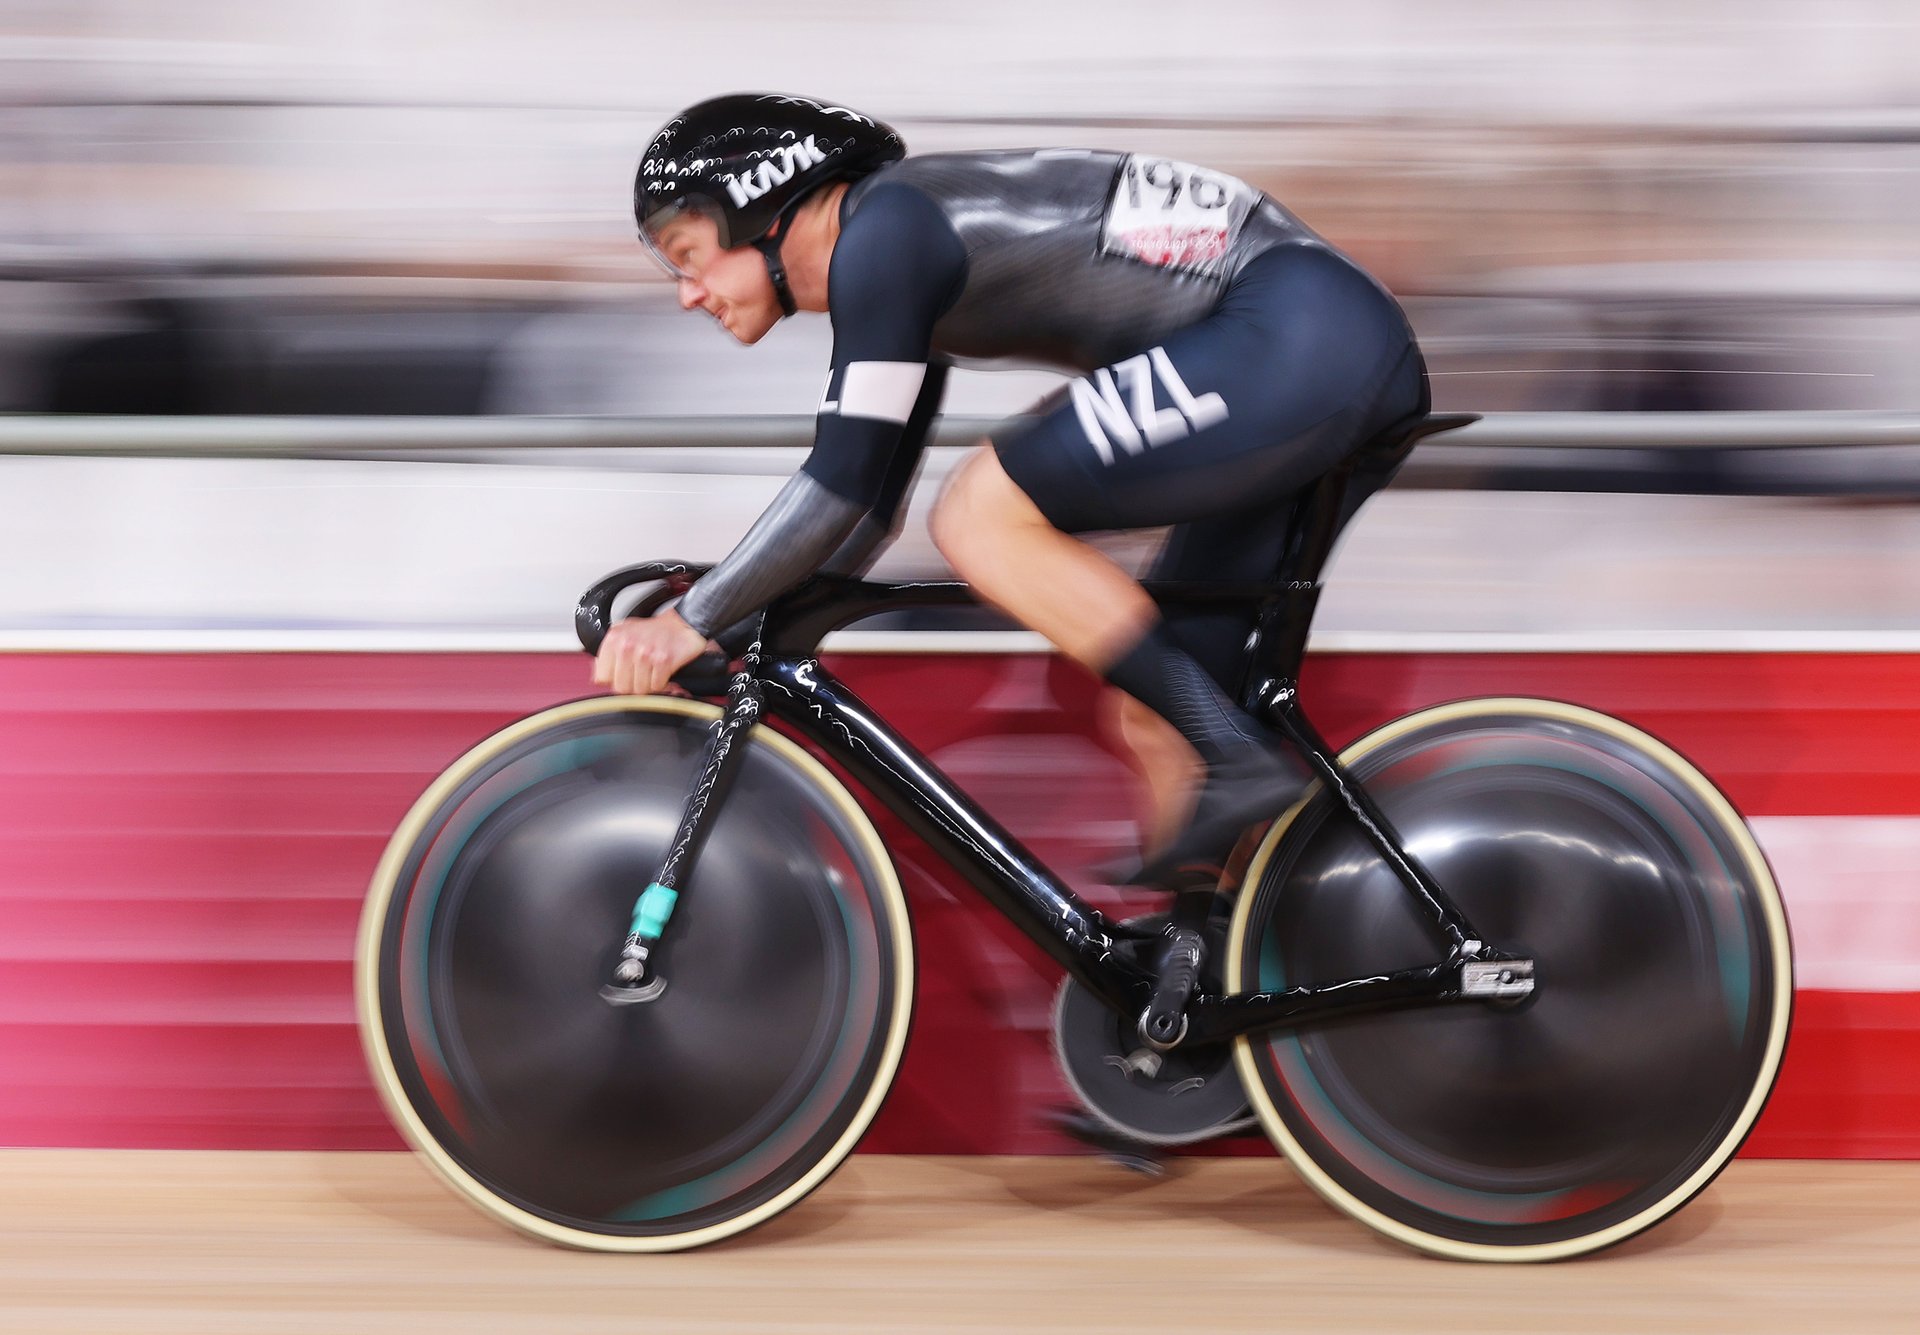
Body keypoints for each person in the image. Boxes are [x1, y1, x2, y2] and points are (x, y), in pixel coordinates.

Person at [597, 92, 1428, 886]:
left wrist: (691, 618)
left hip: (1299, 335)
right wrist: (745, 613)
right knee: (1157, 714)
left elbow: (840, 483)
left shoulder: (885, 237)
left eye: (689, 255)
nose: (686, 294)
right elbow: (871, 506)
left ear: (761, 209)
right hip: (1314, 339)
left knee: (979, 509)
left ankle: (1237, 753)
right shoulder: (900, 239)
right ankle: (1208, 979)